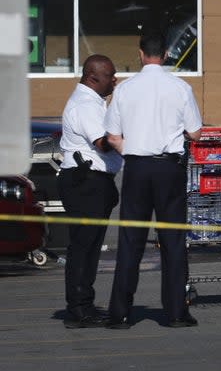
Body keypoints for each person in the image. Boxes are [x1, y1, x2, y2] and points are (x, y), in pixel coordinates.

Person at [104, 33, 202, 329]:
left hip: (136, 167)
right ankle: (175, 313)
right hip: (168, 167)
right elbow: (195, 133)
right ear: (167, 53)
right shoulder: (180, 87)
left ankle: (120, 313)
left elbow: (112, 135)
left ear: (141, 54)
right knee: (173, 240)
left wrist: (133, 151)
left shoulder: (125, 89)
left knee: (131, 240)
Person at [57, 54, 122, 329]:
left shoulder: (92, 102)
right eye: (110, 75)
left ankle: (84, 303)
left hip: (92, 183)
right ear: (93, 77)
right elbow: (103, 143)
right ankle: (79, 309)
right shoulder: (85, 104)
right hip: (85, 183)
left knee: (90, 247)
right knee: (84, 248)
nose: (115, 80)